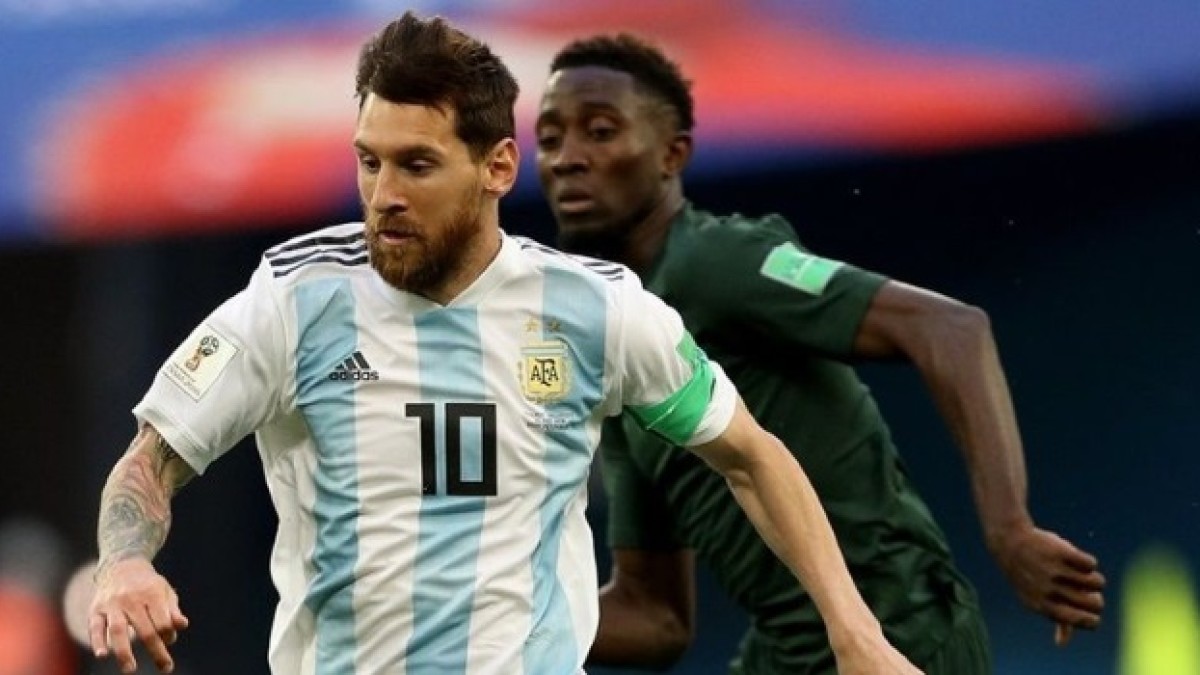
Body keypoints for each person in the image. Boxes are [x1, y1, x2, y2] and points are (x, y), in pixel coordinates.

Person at [87, 12, 922, 675]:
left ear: (497, 167)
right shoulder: (292, 300)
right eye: (369, 162)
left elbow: (750, 455)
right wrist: (124, 562)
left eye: (416, 165)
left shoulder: (596, 311)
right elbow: (151, 460)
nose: (383, 195)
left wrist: (855, 632)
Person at [534, 34, 1108, 674]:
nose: (567, 158)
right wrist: (487, 613)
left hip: (896, 632)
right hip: (786, 651)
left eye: (601, 131)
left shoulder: (715, 261)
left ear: (674, 155)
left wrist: (1009, 528)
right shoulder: (614, 343)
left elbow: (950, 327)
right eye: (550, 138)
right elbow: (656, 618)